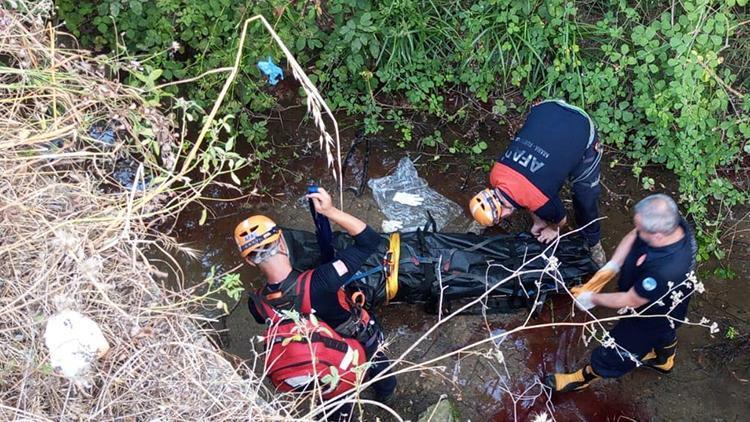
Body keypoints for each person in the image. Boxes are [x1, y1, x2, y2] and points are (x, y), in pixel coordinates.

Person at [233, 187, 397, 413]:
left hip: (323, 364)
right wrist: (330, 211)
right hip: (357, 343)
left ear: (250, 262)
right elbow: (369, 241)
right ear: (282, 242)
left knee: (337, 402)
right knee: (377, 361)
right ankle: (386, 394)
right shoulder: (323, 279)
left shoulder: (258, 304)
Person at [544, 194, 697, 393]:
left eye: (642, 230)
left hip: (649, 314)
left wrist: (591, 298)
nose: (637, 231)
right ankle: (664, 360)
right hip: (667, 300)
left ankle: (582, 378)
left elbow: (631, 300)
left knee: (618, 349)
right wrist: (612, 267)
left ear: (658, 235)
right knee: (667, 329)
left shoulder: (666, 269)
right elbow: (634, 235)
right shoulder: (672, 225)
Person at [469, 99, 606, 266]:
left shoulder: (541, 200)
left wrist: (552, 229)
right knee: (539, 182)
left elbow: (561, 220)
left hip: (580, 127)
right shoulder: (495, 174)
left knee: (585, 196)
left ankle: (593, 242)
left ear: (503, 214)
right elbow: (526, 193)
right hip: (545, 109)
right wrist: (539, 221)